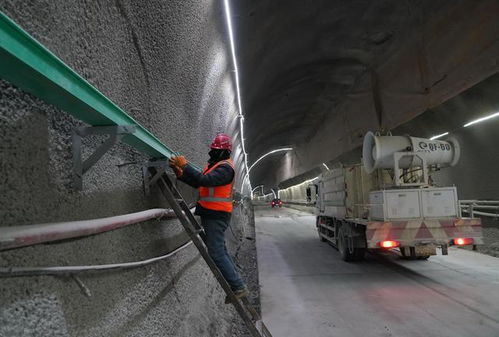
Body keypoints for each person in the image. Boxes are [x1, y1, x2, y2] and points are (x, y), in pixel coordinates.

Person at [168, 133, 248, 303]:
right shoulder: (216, 165)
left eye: (215, 150)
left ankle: (238, 286)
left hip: (217, 215)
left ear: (223, 152)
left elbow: (206, 180)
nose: (212, 152)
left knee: (217, 252)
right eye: (212, 149)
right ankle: (237, 284)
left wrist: (186, 165)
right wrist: (180, 173)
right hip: (212, 213)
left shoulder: (226, 168)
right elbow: (198, 183)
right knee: (221, 251)